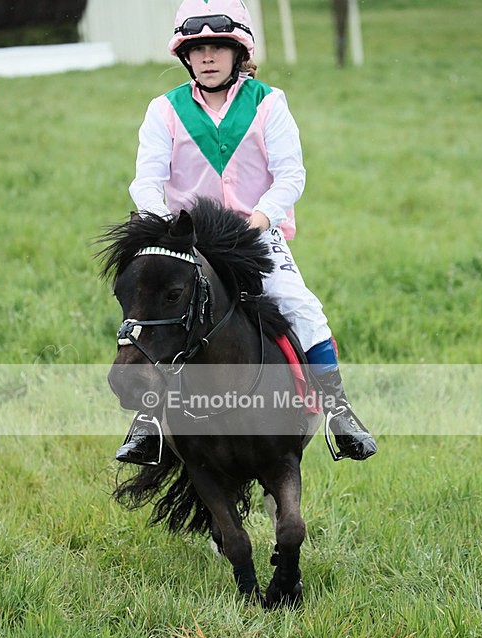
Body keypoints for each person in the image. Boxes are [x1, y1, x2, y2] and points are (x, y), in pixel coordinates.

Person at [116, 0, 376, 464]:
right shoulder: (164, 109)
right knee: (152, 311)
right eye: (198, 49)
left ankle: (339, 411)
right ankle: (148, 422)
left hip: (253, 236)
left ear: (239, 53)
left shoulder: (269, 103)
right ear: (185, 56)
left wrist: (261, 216)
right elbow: (146, 180)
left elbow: (291, 175)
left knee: (302, 306)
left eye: (219, 47)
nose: (208, 57)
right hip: (186, 242)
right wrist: (163, 226)